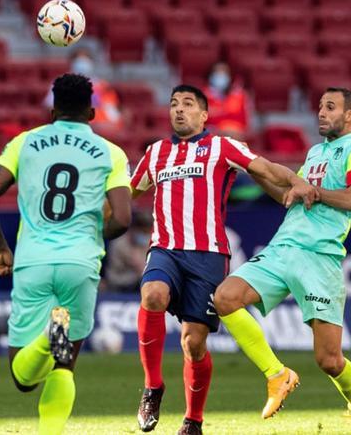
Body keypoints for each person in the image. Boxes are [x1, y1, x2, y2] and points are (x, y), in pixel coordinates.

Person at [131, 84, 315, 435]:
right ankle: (153, 386)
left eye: (188, 104)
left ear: (204, 115)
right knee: (153, 294)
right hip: (165, 247)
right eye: (173, 104)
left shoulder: (221, 146)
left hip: (209, 254)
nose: (179, 110)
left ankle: (193, 420)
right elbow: (129, 191)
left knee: (193, 343)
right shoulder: (156, 153)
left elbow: (263, 167)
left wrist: (295, 180)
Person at [213, 87, 351, 434]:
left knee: (329, 361)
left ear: (349, 115)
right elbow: (292, 196)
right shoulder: (316, 152)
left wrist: (316, 192)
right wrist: (259, 175)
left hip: (320, 258)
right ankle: (277, 375)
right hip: (283, 248)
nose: (321, 112)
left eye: (330, 107)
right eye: (319, 106)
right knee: (225, 298)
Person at [0, 73, 132, 435]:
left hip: (33, 260)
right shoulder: (111, 152)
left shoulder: (25, 143)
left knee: (23, 377)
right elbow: (123, 218)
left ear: (52, 110)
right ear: (92, 113)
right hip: (80, 262)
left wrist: (1, 247)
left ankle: (48, 335)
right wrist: (93, 235)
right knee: (63, 365)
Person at [44, 48, 124, 137]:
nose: (82, 64)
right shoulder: (61, 83)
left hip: (101, 130)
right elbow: (50, 106)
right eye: (79, 60)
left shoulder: (102, 86)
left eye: (85, 60)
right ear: (72, 62)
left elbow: (112, 112)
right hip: (72, 129)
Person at [104, 210, 153, 293]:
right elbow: (139, 266)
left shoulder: (148, 241)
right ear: (134, 229)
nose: (145, 234)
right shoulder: (120, 243)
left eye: (147, 231)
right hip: (118, 283)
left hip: (137, 282)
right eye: (142, 231)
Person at [203, 62, 251, 141]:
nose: (220, 75)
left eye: (223, 73)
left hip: (236, 133)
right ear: (211, 75)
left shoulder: (239, 95)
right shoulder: (203, 95)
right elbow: (204, 119)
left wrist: (218, 113)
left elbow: (242, 119)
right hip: (212, 133)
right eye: (217, 72)